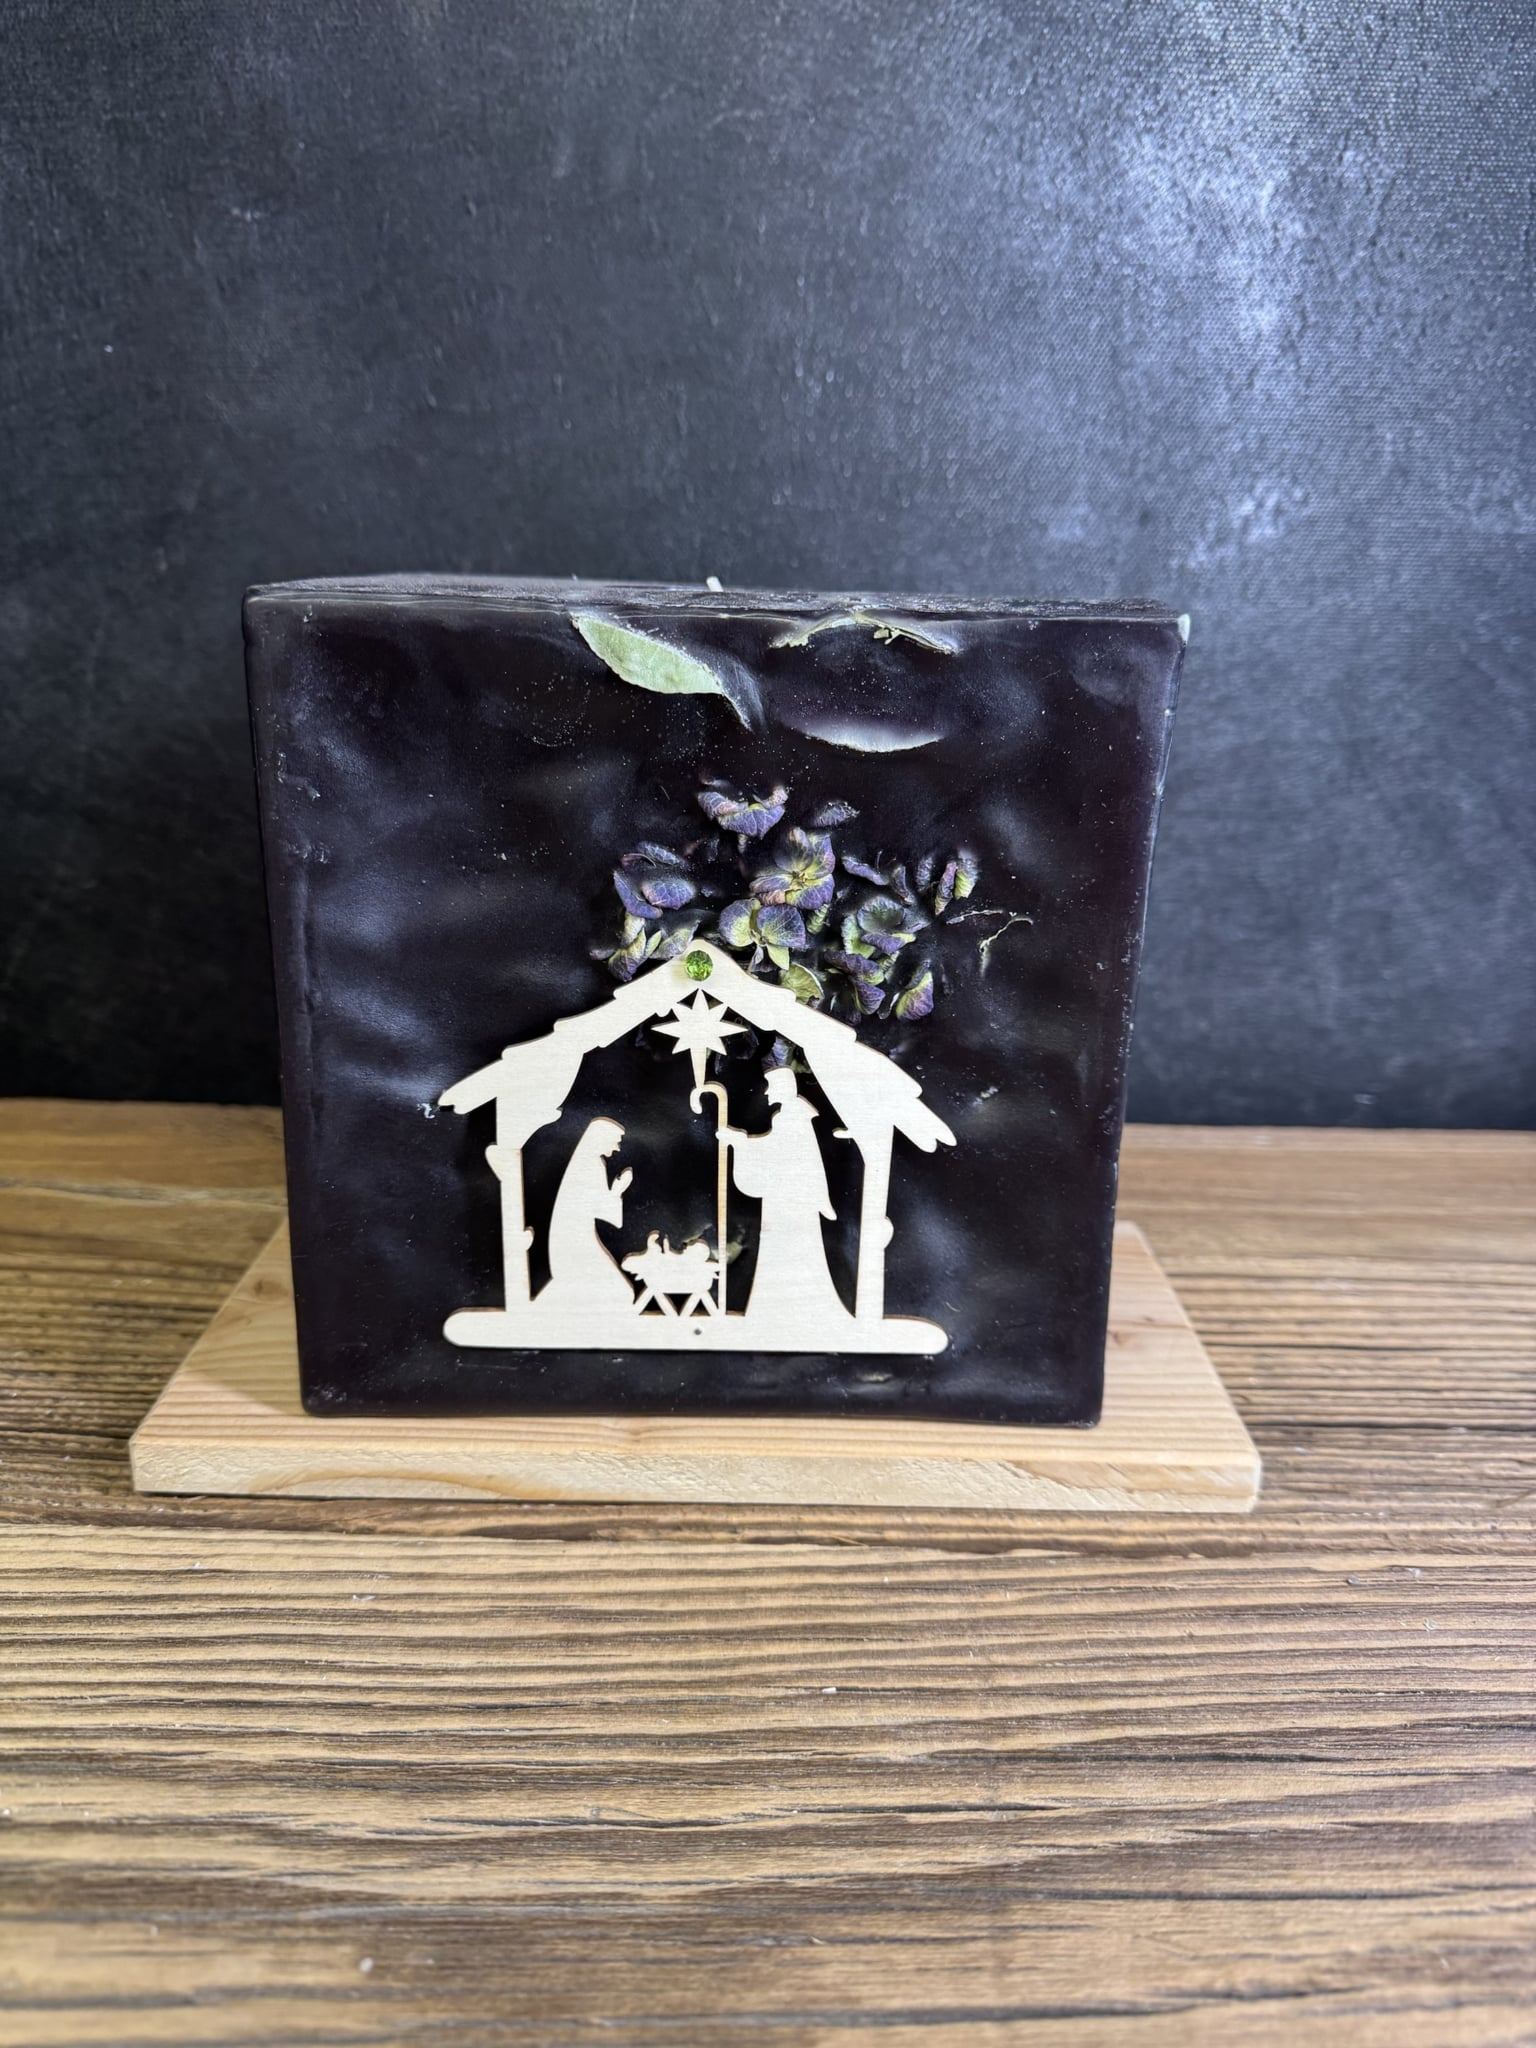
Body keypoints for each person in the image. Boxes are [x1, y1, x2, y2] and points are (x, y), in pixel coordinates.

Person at [721, 1069, 852, 1329]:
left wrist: (740, 1142)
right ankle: (781, 1307)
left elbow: (779, 1152)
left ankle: (790, 1308)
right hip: (787, 1198)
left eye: (771, 1087)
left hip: (791, 1200)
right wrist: (740, 1141)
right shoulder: (789, 1116)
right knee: (784, 1248)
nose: (767, 1093)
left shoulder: (792, 1118)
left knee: (791, 1247)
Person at [541, 1116, 636, 1313]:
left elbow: (594, 1206)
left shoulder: (586, 1163)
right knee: (622, 1294)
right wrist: (618, 1190)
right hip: (575, 1243)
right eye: (616, 1141)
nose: (618, 1148)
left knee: (616, 1293)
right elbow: (603, 1212)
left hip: (573, 1240)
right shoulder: (592, 1165)